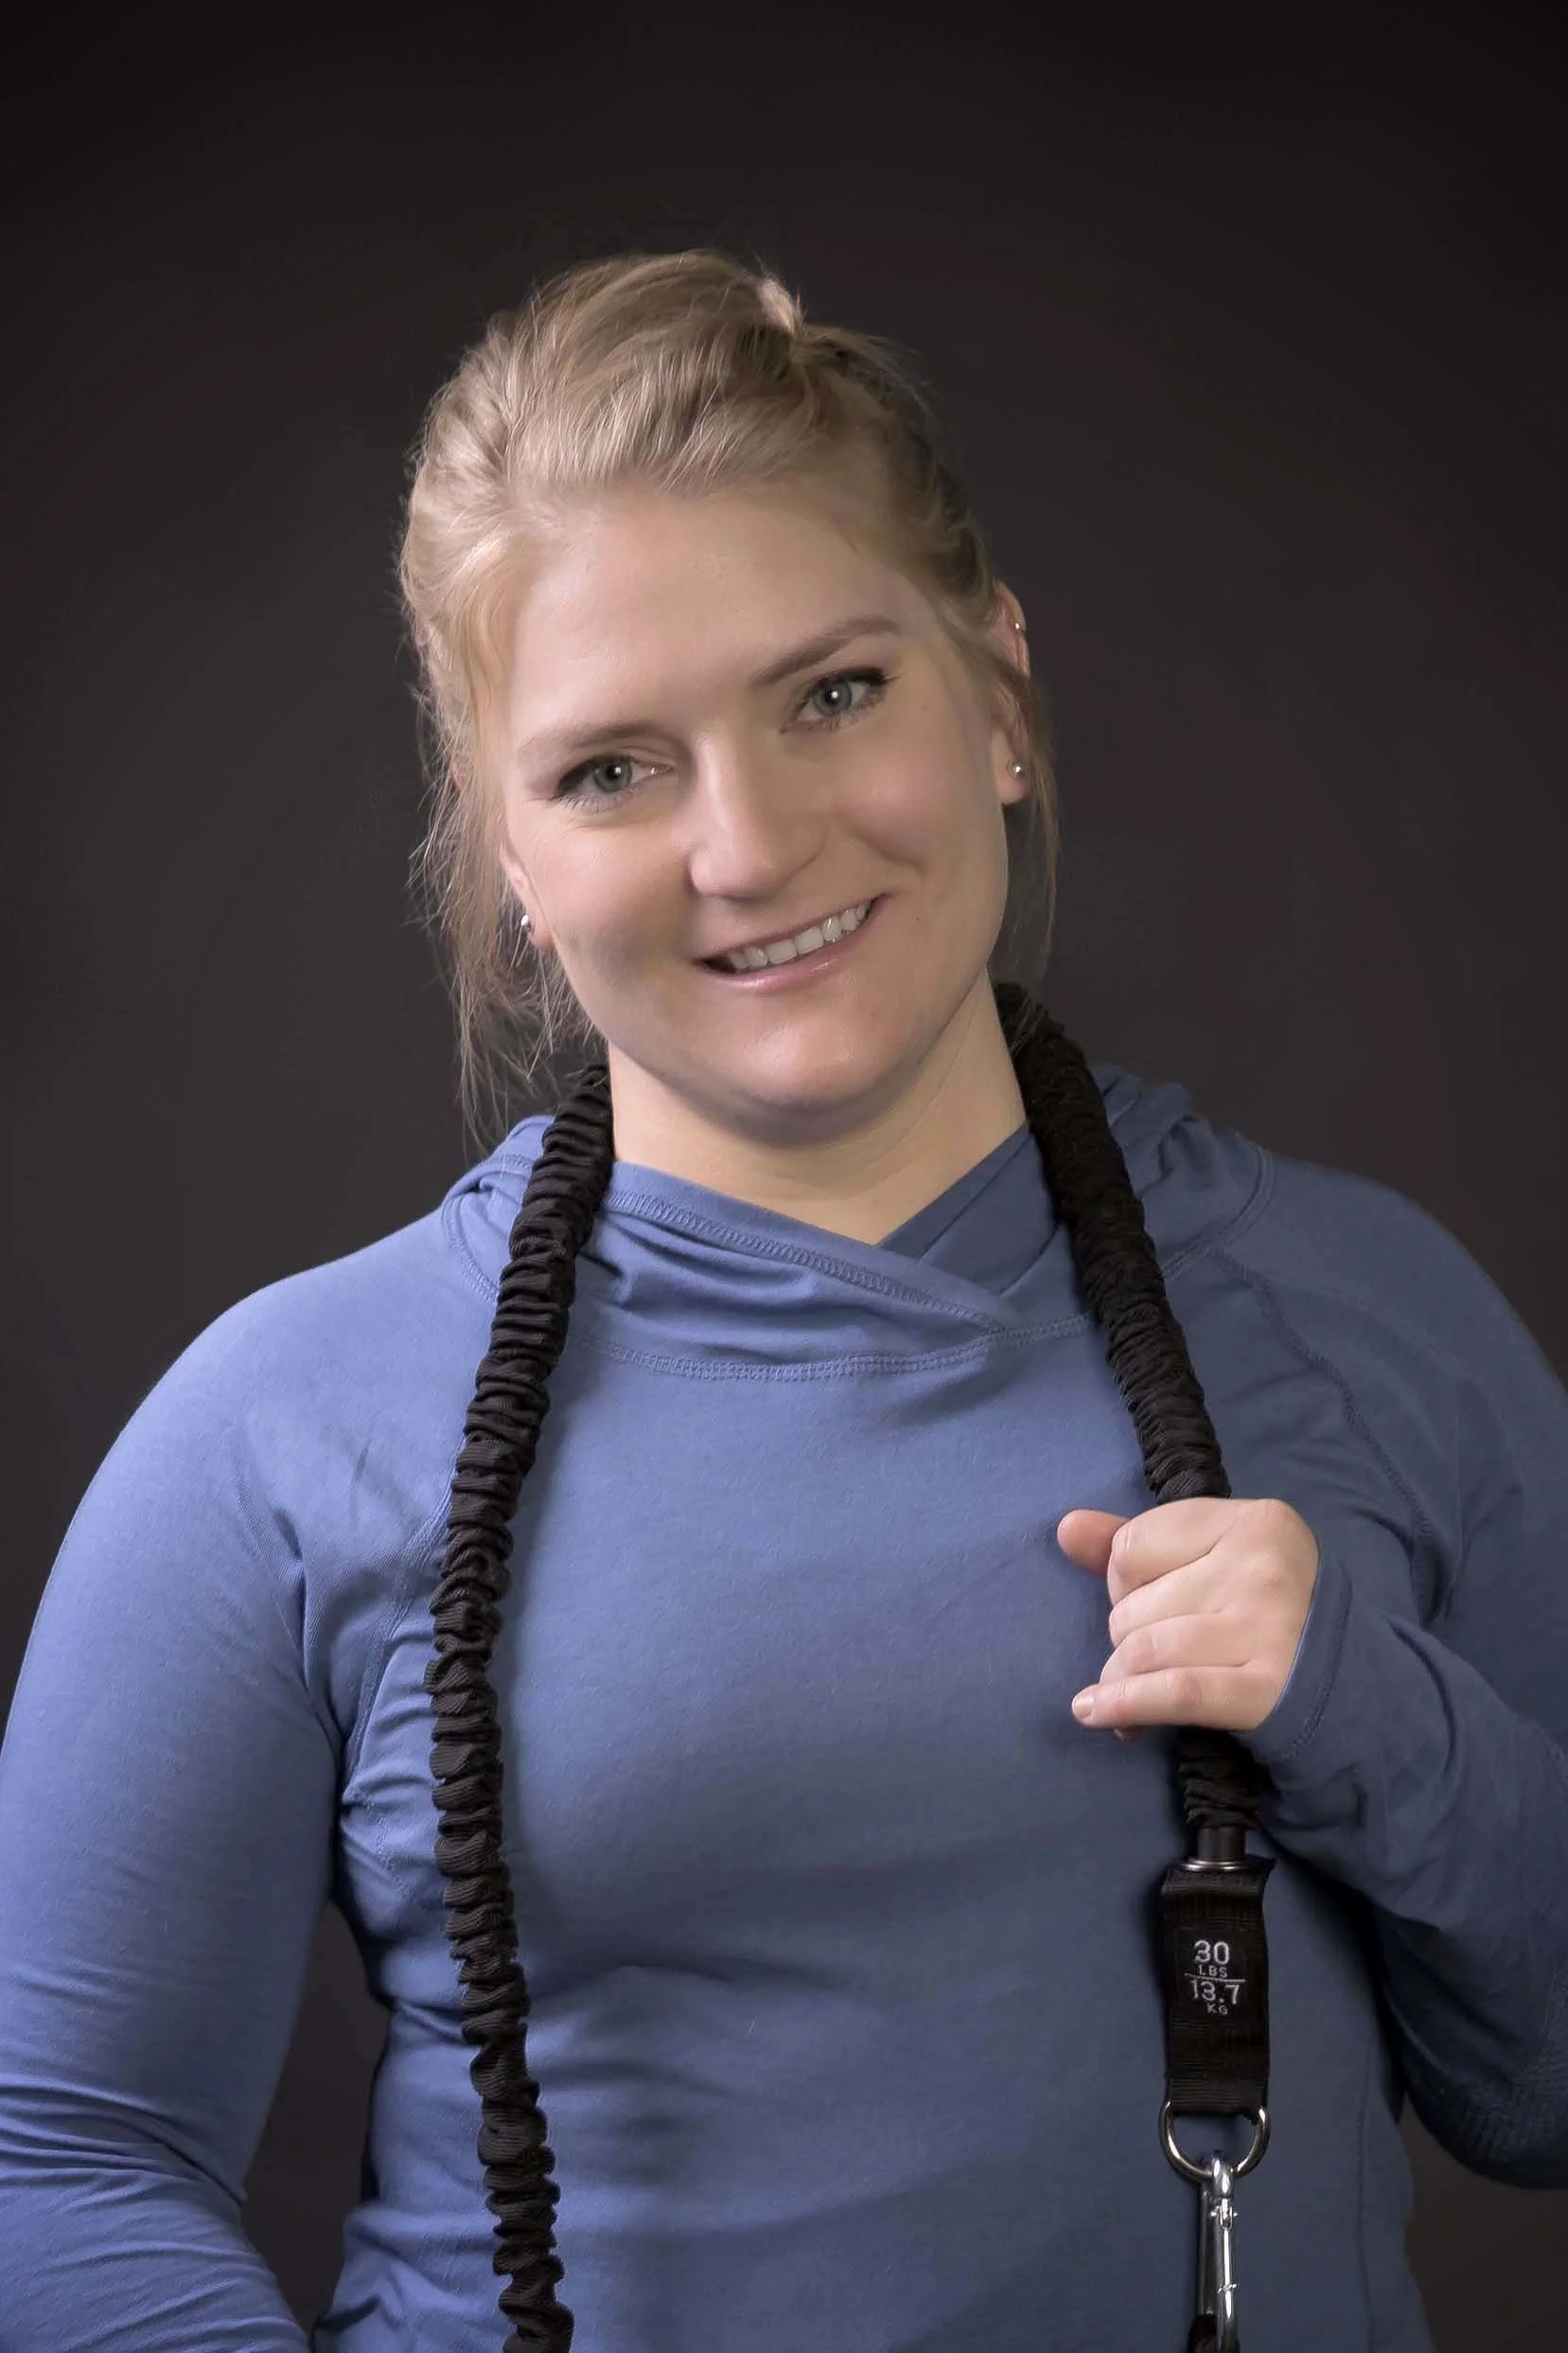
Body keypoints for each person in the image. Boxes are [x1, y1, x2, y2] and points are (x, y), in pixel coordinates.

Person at [2, 247, 1567, 2353]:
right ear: (512, 864)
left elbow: (1545, 2100)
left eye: (835, 693)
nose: (749, 844)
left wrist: (1366, 1710)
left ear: (999, 693)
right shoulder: (289, 1423)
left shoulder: (1368, 1308)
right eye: (611, 770)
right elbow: (54, 2156)